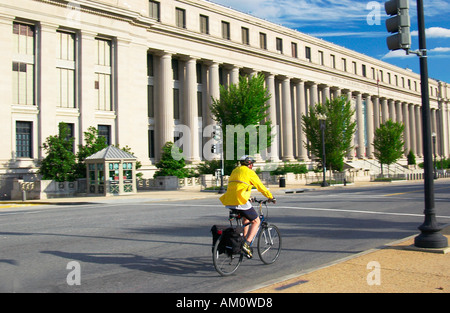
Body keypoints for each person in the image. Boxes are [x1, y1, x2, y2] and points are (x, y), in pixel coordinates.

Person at [219, 155, 276, 258]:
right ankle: (247, 244)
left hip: (229, 200)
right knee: (256, 221)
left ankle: (243, 241)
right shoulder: (250, 172)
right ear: (250, 164)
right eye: (252, 164)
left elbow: (238, 186)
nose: (252, 165)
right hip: (240, 200)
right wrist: (270, 197)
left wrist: (248, 198)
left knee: (246, 220)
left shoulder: (235, 170)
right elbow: (260, 187)